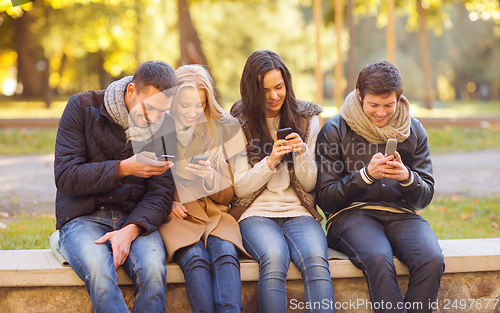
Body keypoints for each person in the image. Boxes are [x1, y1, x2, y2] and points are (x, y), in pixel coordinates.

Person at [316, 60, 444, 313]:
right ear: (360, 96)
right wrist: (364, 176)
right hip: (351, 215)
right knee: (377, 257)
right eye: (373, 105)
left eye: (388, 105)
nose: (381, 113)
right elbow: (325, 198)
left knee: (432, 259)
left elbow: (424, 197)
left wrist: (408, 177)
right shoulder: (334, 129)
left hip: (402, 214)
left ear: (399, 98)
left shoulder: (414, 130)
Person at [55, 60, 177, 313]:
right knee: (100, 272)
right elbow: (66, 176)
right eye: (150, 108)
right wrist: (123, 168)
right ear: (132, 91)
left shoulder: (162, 126)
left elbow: (161, 193)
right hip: (82, 218)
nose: (154, 118)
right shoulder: (82, 107)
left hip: (134, 220)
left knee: (153, 272)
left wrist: (131, 230)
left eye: (162, 112)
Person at [230, 50, 335, 313]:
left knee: (316, 260)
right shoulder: (237, 122)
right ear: (252, 91)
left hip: (299, 211)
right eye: (265, 90)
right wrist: (271, 160)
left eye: (279, 87)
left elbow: (310, 185)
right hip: (255, 214)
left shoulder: (307, 118)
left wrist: (300, 154)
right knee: (274, 258)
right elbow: (240, 187)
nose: (274, 96)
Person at [158, 64, 248, 313]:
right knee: (195, 259)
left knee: (226, 254)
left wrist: (210, 176)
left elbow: (229, 195)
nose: (192, 112)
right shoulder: (159, 128)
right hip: (177, 217)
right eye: (185, 105)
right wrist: (166, 203)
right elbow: (145, 184)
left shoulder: (220, 128)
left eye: (200, 105)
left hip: (214, 215)